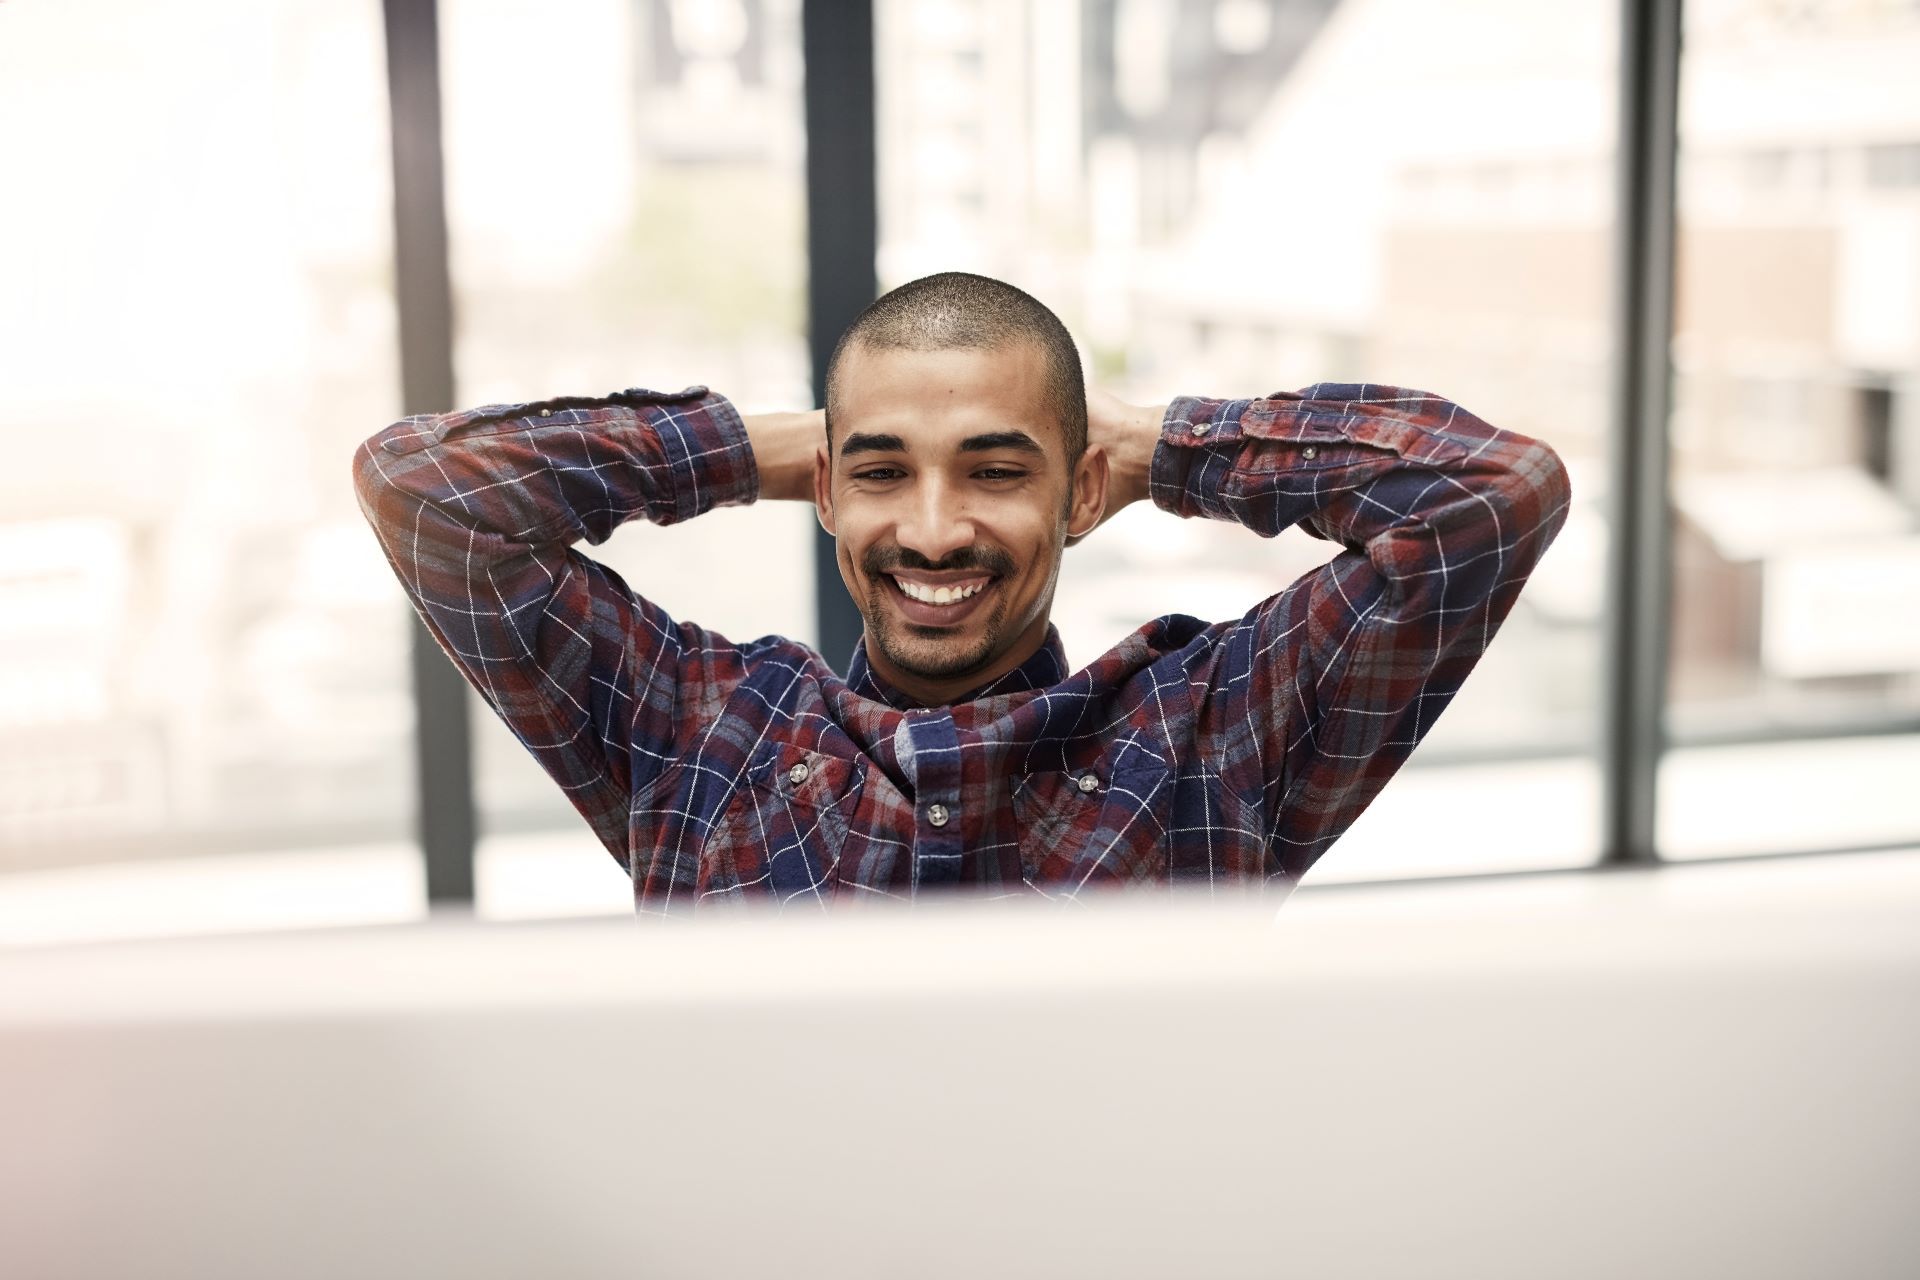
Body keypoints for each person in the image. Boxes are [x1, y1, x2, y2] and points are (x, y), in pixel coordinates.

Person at [353, 272, 1571, 914]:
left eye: (996, 469)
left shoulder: (1213, 733)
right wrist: (771, 449)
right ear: (824, 488)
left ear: (1081, 491)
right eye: (885, 473)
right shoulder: (694, 729)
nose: (933, 531)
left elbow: (1489, 496)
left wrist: (1161, 448)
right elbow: (427, 489)